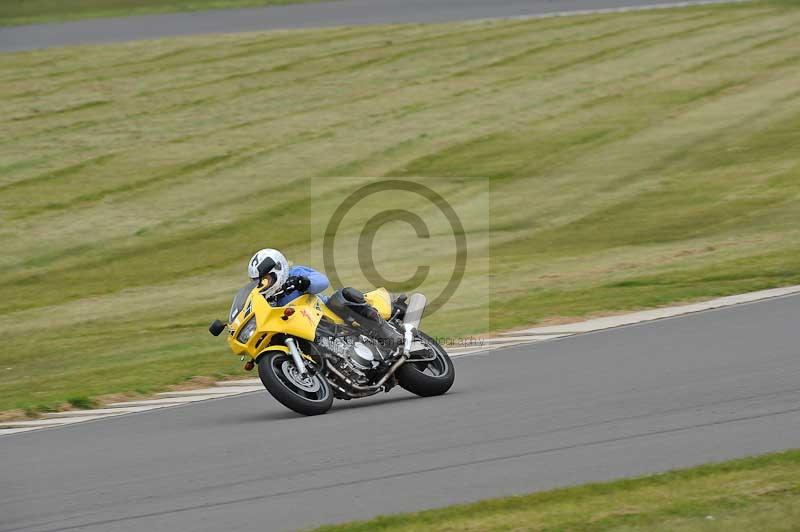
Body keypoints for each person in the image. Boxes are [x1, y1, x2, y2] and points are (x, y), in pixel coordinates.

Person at [247, 248, 329, 306]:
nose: (261, 285)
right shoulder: (262, 298)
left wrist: (302, 282)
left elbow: (323, 282)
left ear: (278, 270)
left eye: (265, 280)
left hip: (321, 315)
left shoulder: (295, 273)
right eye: (258, 282)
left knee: (338, 300)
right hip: (292, 326)